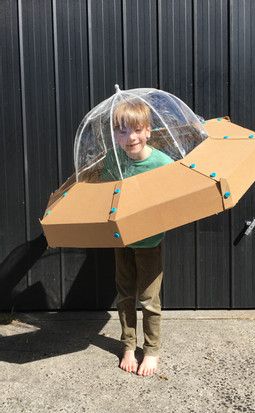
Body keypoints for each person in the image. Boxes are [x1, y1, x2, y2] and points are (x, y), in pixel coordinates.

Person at [102, 99, 173, 376]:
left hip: (150, 242)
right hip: (122, 240)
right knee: (124, 295)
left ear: (148, 131)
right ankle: (129, 345)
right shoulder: (113, 160)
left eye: (136, 129)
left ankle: (152, 350)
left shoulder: (162, 163)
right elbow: (105, 193)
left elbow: (172, 201)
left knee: (148, 299)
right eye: (121, 130)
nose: (129, 137)